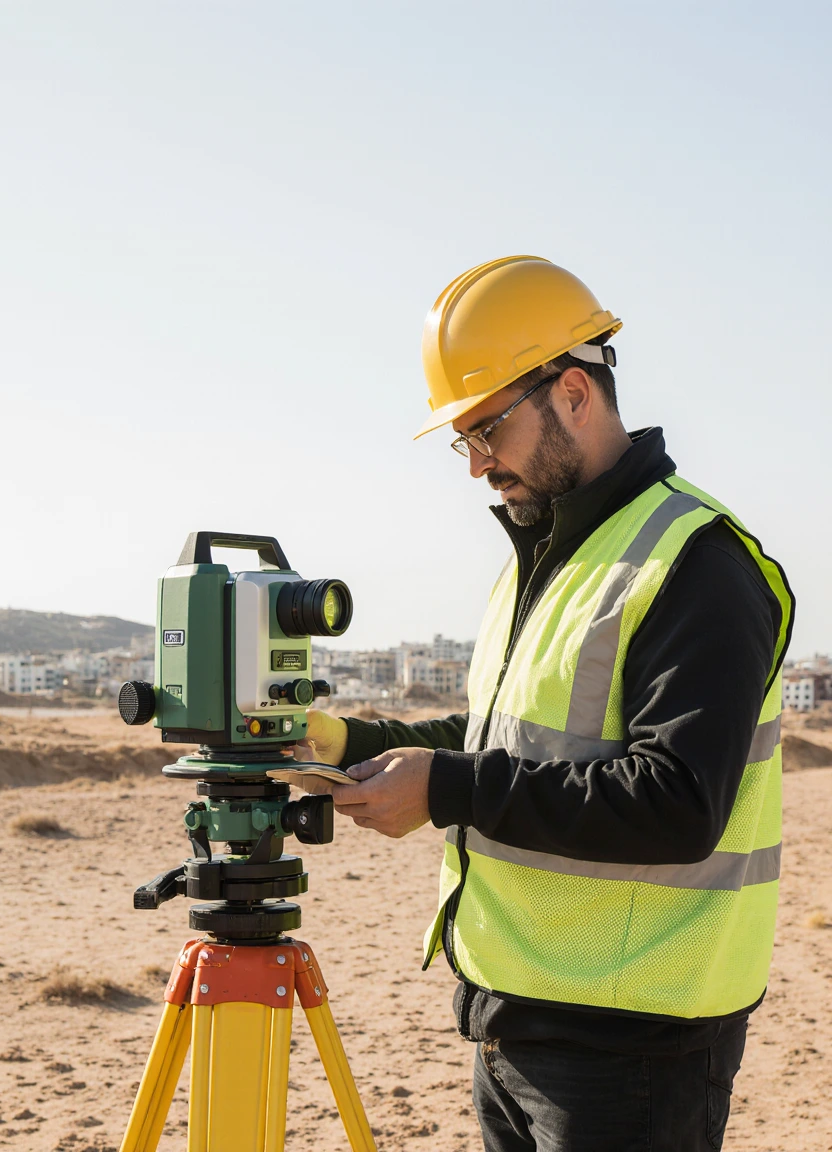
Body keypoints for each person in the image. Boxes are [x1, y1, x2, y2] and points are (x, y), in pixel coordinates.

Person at [291, 255, 794, 1152]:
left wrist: (445, 789)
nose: (477, 464)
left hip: (635, 1044)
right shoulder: (550, 555)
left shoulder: (694, 562)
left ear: (572, 391)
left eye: (488, 429)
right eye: (464, 441)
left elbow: (677, 802)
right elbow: (502, 736)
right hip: (518, 1021)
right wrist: (347, 737)